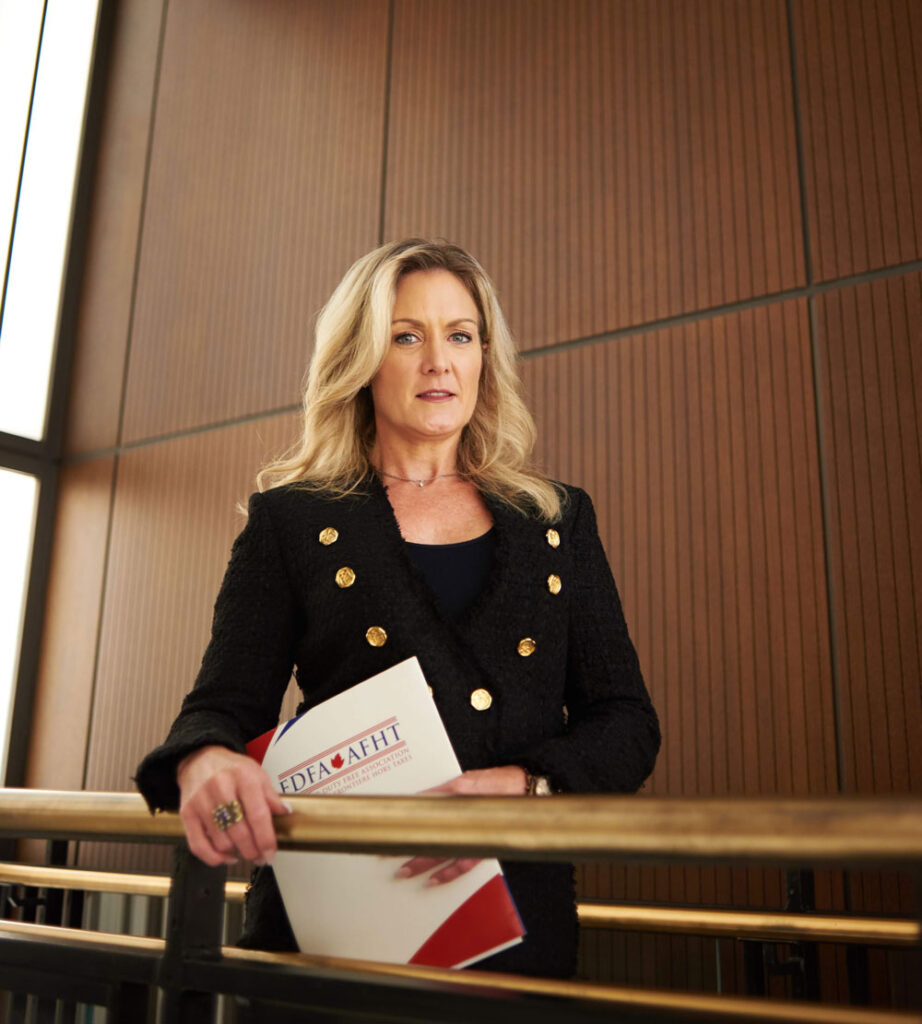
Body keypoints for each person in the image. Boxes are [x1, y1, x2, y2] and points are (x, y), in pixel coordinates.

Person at [135, 238, 660, 979]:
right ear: (363, 360)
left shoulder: (557, 519)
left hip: (515, 921)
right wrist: (207, 758)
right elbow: (221, 706)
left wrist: (527, 784)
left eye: (460, 335)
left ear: (485, 358)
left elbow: (626, 721)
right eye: (406, 337)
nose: (439, 361)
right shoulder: (291, 520)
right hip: (336, 924)